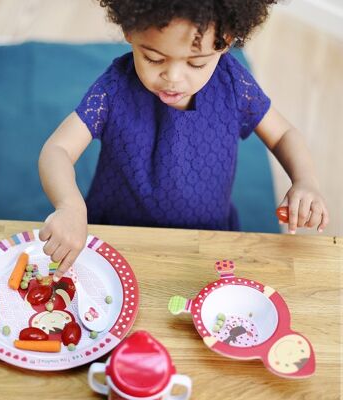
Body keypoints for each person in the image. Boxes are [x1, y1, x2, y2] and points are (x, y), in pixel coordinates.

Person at [38, 0, 329, 281]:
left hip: (206, 240)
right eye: (154, 58)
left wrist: (305, 181)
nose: (173, 77)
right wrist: (70, 206)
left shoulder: (233, 83)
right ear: (129, 30)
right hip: (118, 234)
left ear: (225, 41)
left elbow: (283, 134)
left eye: (196, 63)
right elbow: (58, 149)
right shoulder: (114, 87)